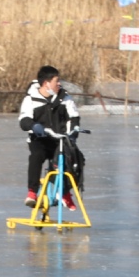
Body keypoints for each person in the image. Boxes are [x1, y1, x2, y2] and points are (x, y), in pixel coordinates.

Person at [19, 65, 83, 210]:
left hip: (60, 140)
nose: (59, 84)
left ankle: (64, 192)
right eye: (56, 81)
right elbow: (24, 120)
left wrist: (73, 132)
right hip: (39, 139)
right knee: (36, 156)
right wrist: (34, 126)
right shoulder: (30, 99)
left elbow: (74, 118)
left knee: (75, 158)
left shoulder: (65, 98)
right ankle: (32, 192)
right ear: (46, 83)